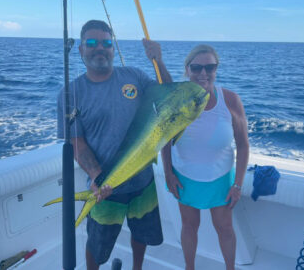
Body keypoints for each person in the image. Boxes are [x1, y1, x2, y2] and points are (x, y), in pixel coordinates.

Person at [57, 20, 172, 270]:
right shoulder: (70, 92)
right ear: (80, 50)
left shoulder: (135, 76)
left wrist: (159, 60)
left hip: (143, 181)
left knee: (141, 235)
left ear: (113, 47)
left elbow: (168, 97)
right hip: (104, 188)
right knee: (97, 246)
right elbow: (77, 143)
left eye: (107, 43)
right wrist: (98, 176)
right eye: (92, 43)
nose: (100, 48)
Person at [161, 44, 249, 270]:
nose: (203, 73)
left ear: (216, 69)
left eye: (209, 67)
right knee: (189, 226)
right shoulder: (177, 100)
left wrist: (238, 184)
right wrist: (168, 173)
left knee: (225, 228)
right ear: (187, 69)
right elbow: (165, 140)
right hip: (185, 176)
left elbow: (243, 144)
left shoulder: (230, 100)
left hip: (220, 178)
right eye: (196, 67)